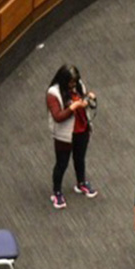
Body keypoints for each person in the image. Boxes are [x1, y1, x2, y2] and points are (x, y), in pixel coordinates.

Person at [46, 64, 98, 209]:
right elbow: (57, 116)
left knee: (80, 158)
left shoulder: (78, 85)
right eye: (70, 82)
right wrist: (72, 108)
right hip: (64, 135)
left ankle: (81, 183)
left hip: (82, 129)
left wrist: (88, 98)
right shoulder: (53, 93)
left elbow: (83, 101)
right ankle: (56, 192)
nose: (73, 85)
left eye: (75, 81)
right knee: (62, 164)